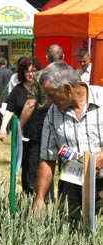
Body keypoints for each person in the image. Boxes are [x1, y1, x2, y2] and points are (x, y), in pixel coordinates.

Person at [33, 61, 103, 218]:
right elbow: (47, 158)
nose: (50, 101)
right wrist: (40, 198)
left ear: (67, 88)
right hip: (71, 184)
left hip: (101, 184)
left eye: (52, 95)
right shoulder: (53, 113)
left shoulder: (102, 99)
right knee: (70, 234)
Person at [0, 57, 41, 194]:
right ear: (22, 73)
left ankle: (36, 193)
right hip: (22, 135)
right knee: (25, 164)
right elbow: (10, 109)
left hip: (39, 133)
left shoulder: (42, 89)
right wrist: (3, 127)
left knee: (34, 165)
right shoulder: (18, 90)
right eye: (27, 71)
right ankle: (27, 193)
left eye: (33, 71)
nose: (30, 74)